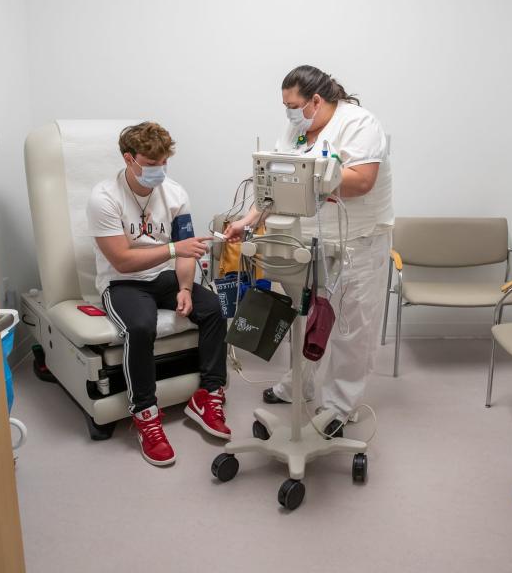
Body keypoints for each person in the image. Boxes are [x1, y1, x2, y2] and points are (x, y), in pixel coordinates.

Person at [225, 65, 394, 437]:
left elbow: (363, 180)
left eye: (294, 105)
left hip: (358, 241)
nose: (289, 112)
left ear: (316, 100)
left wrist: (310, 174)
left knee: (351, 327)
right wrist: (249, 220)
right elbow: (274, 182)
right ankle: (299, 383)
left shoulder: (360, 124)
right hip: (307, 241)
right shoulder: (297, 128)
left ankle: (340, 404)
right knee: (307, 317)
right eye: (285, 106)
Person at [87, 121, 229, 467]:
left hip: (164, 278)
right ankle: (145, 413)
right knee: (140, 326)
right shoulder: (104, 198)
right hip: (123, 284)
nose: (159, 172)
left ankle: (208, 393)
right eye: (151, 166)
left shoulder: (175, 194)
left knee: (212, 307)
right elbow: (121, 261)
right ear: (129, 159)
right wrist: (171, 250)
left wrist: (183, 287)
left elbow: (186, 251)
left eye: (164, 163)